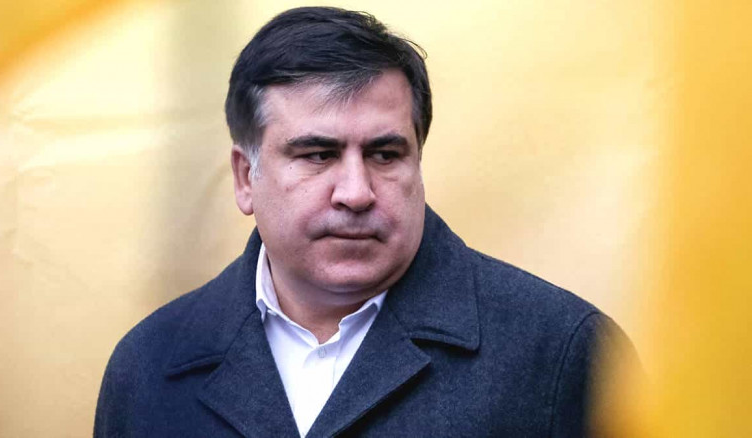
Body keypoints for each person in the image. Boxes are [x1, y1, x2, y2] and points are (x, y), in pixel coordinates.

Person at [95, 6, 635, 438]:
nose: (356, 193)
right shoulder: (148, 365)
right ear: (245, 178)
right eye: (317, 154)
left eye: (384, 154)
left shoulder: (563, 354)